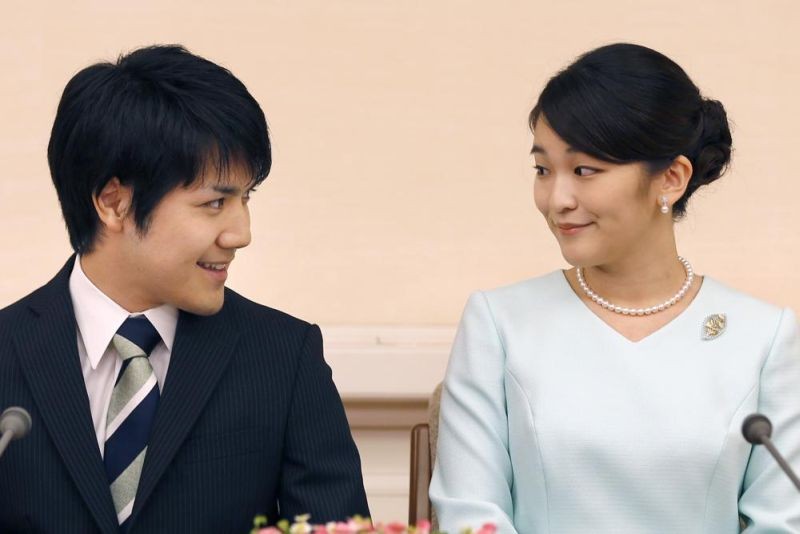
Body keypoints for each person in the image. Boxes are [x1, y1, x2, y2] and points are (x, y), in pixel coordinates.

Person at [429, 43, 800, 533]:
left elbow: (781, 522)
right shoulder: (499, 323)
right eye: (543, 170)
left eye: (585, 170)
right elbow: (469, 517)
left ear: (671, 178)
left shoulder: (765, 338)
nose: (557, 199)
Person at [0, 45, 369, 533]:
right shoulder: (6, 354)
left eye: (245, 198)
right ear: (114, 203)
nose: (241, 233)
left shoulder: (284, 358)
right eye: (215, 203)